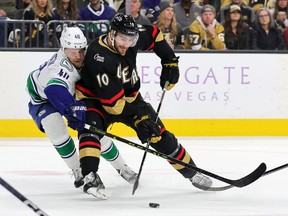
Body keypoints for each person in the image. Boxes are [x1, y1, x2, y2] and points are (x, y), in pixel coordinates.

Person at [75, 13, 213, 199]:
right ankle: (90, 175)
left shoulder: (132, 38)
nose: (126, 44)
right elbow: (112, 106)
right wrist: (140, 119)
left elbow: (155, 34)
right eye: (123, 39)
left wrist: (169, 60)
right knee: (90, 129)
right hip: (96, 100)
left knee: (157, 133)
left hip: (129, 98)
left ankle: (192, 172)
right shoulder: (98, 55)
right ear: (112, 33)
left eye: (130, 40)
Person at [26, 25, 138, 190]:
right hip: (42, 98)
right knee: (54, 125)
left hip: (69, 92)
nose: (79, 56)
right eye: (73, 51)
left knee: (93, 128)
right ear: (64, 49)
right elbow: (53, 90)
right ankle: (77, 170)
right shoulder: (60, 68)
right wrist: (71, 109)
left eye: (81, 50)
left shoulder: (87, 56)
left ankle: (122, 168)